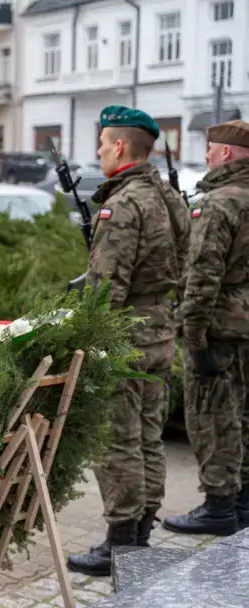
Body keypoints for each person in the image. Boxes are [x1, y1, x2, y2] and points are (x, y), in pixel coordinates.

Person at [66, 106, 188, 577]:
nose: (98, 153)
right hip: (160, 332)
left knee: (117, 440)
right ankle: (141, 533)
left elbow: (105, 288)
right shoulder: (169, 198)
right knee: (149, 438)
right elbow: (185, 262)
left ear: (119, 146)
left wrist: (89, 340)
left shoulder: (122, 205)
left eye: (102, 144)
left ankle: (120, 542)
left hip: (124, 339)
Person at [163, 119, 249, 536]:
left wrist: (193, 337)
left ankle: (218, 506)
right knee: (245, 415)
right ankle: (243, 501)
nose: (207, 156)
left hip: (220, 328)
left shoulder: (219, 203)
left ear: (226, 153)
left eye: (211, 150)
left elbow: (202, 276)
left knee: (213, 417)